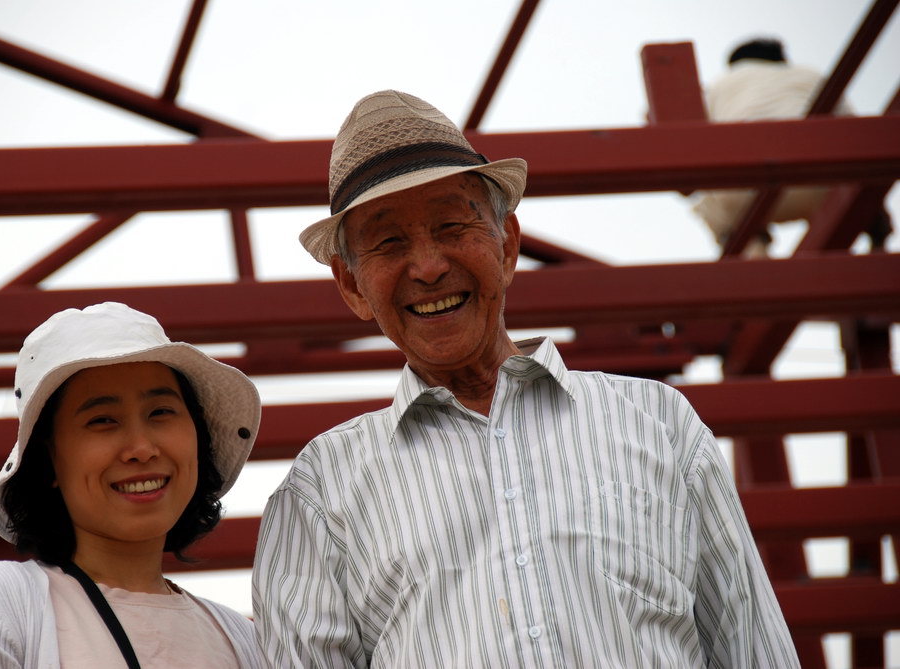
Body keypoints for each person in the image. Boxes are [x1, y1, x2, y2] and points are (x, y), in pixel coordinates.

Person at [252, 89, 800, 668]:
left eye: (451, 225)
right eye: (389, 242)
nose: (430, 266)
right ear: (353, 286)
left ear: (507, 244)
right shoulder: (320, 494)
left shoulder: (659, 424)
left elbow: (752, 647)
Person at [0, 302, 263, 668]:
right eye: (102, 420)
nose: (142, 449)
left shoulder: (243, 639)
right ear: (47, 459)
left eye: (161, 412)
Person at [691, 37, 889, 256]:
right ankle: (877, 245)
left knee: (709, 202)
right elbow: (853, 135)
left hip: (748, 195)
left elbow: (695, 148)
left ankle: (755, 256)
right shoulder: (812, 76)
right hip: (825, 186)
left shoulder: (721, 84)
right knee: (861, 180)